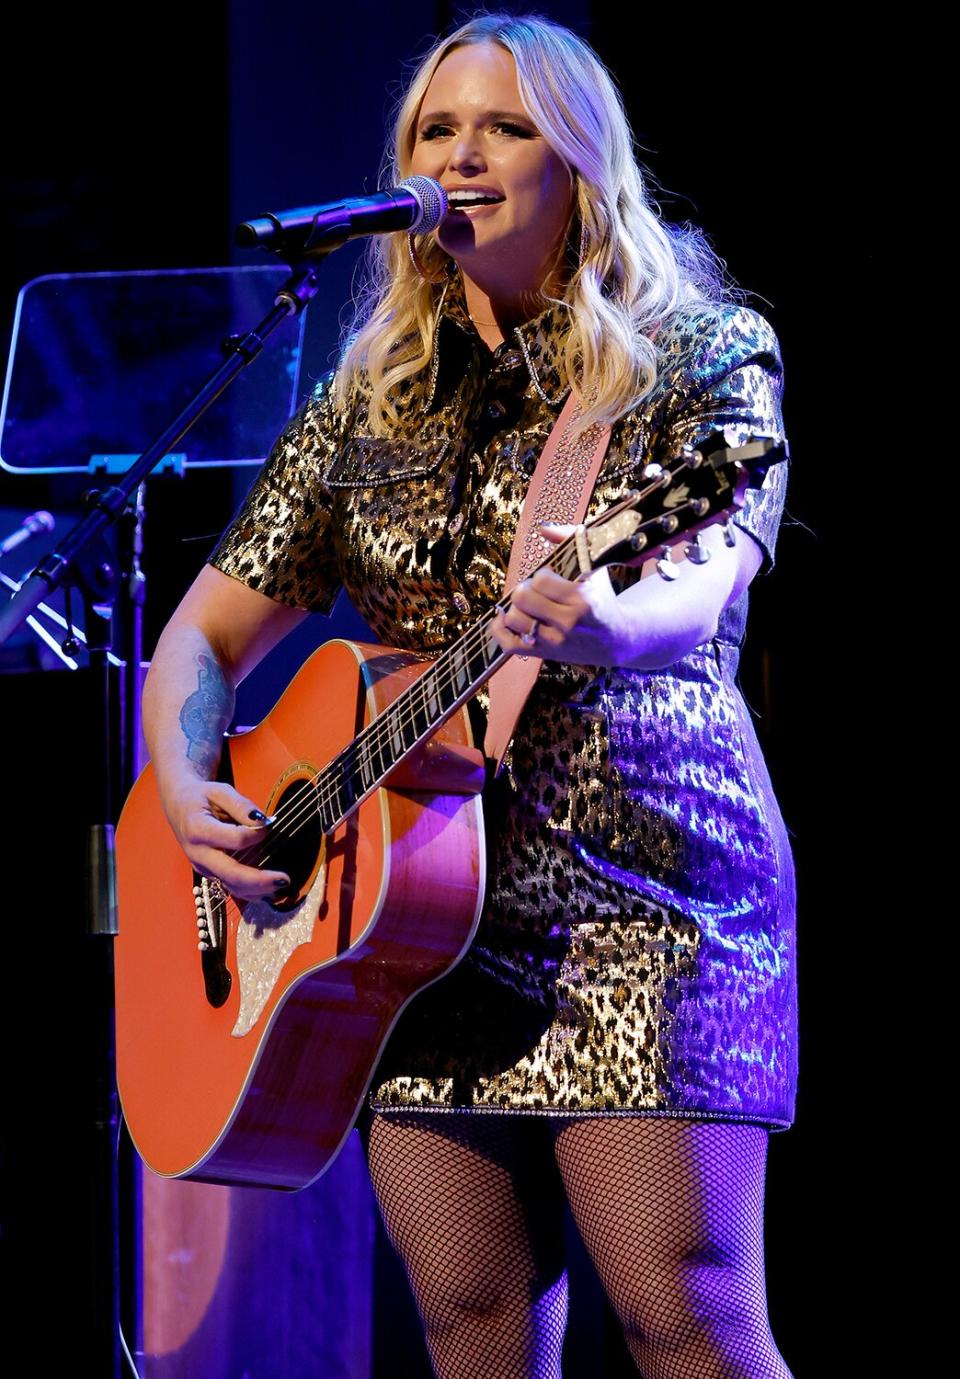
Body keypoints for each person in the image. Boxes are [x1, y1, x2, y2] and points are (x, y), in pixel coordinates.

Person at [142, 13, 796, 1378]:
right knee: (466, 1322)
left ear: (579, 161)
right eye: (436, 130)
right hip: (407, 919)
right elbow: (198, 642)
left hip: (639, 893)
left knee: (682, 1317)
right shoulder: (365, 401)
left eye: (502, 126)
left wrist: (606, 628)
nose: (462, 153)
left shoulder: (697, 352)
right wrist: (189, 785)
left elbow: (705, 569)